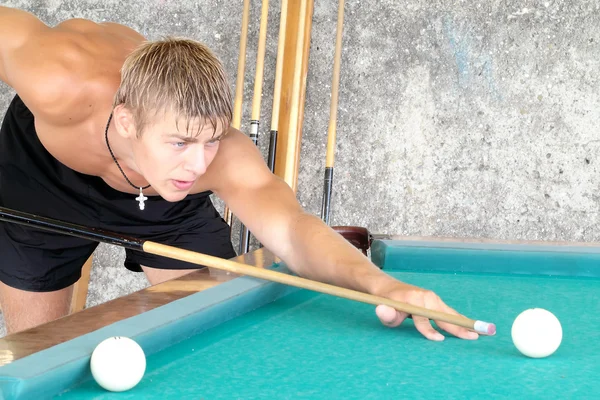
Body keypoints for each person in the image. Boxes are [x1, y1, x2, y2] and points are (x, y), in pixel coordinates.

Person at [0, 5, 480, 341]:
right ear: (127, 122)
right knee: (38, 351)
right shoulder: (59, 78)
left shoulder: (215, 160)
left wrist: (384, 285)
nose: (198, 164)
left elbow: (291, 231)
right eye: (181, 142)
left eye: (210, 140)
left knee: (203, 334)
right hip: (41, 181)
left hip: (164, 209)